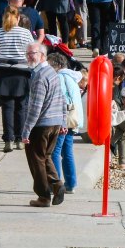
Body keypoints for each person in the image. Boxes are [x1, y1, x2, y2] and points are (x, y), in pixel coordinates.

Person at [21, 42, 67, 208]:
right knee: (45, 156)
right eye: (27, 54)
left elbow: (35, 107)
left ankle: (44, 196)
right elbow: (62, 98)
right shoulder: (52, 73)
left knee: (36, 160)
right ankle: (57, 185)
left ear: (42, 55)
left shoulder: (40, 76)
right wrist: (62, 120)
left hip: (42, 124)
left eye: (31, 53)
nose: (28, 57)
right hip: (54, 123)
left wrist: (26, 131)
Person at [0, 7, 35, 149]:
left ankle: (8, 139)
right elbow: (33, 53)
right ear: (18, 18)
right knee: (21, 107)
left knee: (7, 107)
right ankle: (20, 139)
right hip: (22, 74)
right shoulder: (26, 33)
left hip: (3, 75)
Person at [49, 52, 81, 194]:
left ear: (58, 65)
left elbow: (62, 101)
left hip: (63, 120)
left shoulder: (60, 77)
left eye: (50, 65)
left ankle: (56, 184)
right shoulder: (71, 77)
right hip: (73, 120)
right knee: (67, 152)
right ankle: (71, 183)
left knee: (54, 152)